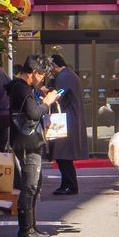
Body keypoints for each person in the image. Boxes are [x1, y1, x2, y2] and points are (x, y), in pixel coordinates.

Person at [9, 55, 60, 237]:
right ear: (33, 72)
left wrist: (41, 96)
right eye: (42, 75)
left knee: (34, 186)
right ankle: (26, 231)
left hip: (28, 142)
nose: (43, 79)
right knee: (29, 187)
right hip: (27, 143)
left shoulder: (23, 87)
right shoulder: (21, 89)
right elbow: (33, 113)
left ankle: (31, 227)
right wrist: (47, 102)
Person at [48, 52, 88, 195]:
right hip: (67, 119)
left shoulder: (65, 77)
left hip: (65, 121)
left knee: (63, 154)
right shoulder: (68, 75)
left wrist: (47, 92)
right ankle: (66, 184)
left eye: (50, 67)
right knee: (62, 155)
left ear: (54, 65)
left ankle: (70, 185)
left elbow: (59, 94)